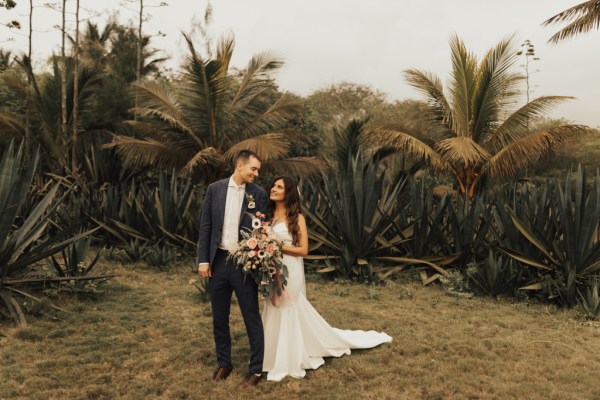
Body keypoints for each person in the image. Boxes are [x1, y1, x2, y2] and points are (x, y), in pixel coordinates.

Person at [262, 176, 392, 382]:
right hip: (271, 269)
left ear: (289, 193)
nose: (274, 188)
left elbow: (303, 249)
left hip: (290, 270)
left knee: (287, 307)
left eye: (280, 187)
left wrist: (278, 247)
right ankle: (269, 355)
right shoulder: (268, 215)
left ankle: (289, 358)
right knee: (272, 305)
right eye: (274, 185)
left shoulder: (297, 218)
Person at [197, 150, 268, 388]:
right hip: (217, 261)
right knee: (219, 316)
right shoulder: (214, 189)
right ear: (240, 165)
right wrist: (203, 261)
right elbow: (206, 226)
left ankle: (256, 369)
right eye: (254, 169)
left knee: (251, 316)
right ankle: (224, 363)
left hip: (243, 264)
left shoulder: (258, 194)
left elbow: (262, 228)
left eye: (257, 170)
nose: (256, 174)